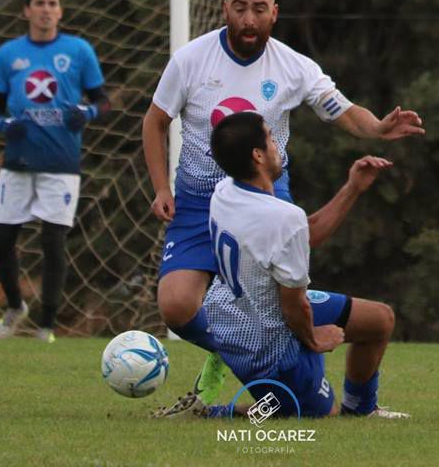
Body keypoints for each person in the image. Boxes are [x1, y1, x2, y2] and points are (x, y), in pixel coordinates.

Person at [143, 0, 423, 410]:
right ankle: (241, 349)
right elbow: (155, 120)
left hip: (264, 199)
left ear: (274, 13)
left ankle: (281, 366)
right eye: (240, 8)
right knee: (177, 307)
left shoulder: (293, 66)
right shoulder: (191, 60)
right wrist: (161, 187)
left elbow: (342, 110)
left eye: (259, 9)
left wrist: (377, 128)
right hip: (203, 201)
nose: (249, 18)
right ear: (225, 10)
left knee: (280, 300)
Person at [162, 112, 409, 419]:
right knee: (317, 414)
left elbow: (304, 232)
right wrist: (315, 339)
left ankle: (361, 410)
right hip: (262, 341)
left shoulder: (225, 192)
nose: (278, 145)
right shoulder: (281, 217)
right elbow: (294, 308)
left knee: (379, 319)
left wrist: (352, 188)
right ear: (258, 155)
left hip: (240, 312)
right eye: (270, 138)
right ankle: (215, 413)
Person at [0, 0, 109, 343]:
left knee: (53, 242)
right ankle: (14, 306)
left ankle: (46, 326)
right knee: (2, 240)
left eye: (52, 3)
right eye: (39, 3)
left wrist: (85, 113)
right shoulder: (9, 54)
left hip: (61, 165)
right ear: (26, 10)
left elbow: (103, 101)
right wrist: (5, 125)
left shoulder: (78, 51)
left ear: (60, 11)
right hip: (18, 162)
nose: (45, 9)